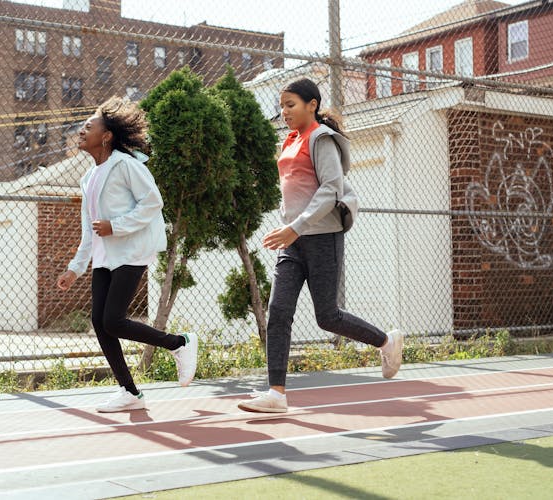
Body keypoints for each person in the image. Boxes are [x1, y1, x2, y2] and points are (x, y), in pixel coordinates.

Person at [238, 78, 404, 414]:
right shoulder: (290, 140)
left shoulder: (321, 139)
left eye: (291, 105)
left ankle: (386, 341)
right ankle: (276, 395)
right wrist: (288, 228)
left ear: (312, 104)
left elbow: (330, 189)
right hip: (293, 242)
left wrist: (295, 228)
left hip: (322, 238)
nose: (284, 112)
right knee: (279, 313)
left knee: (327, 316)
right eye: (281, 106)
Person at [57, 96, 197, 413]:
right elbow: (90, 229)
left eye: (88, 126)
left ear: (106, 136)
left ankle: (179, 343)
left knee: (113, 320)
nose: (81, 130)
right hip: (108, 254)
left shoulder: (126, 165)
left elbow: (152, 202)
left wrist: (116, 226)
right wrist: (74, 268)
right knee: (100, 321)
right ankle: (130, 392)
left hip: (133, 249)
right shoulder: (89, 178)